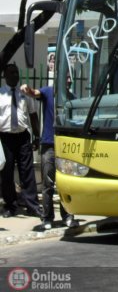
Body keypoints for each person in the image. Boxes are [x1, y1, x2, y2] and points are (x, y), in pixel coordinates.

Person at [21, 83, 79, 230]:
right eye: (65, 76)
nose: (68, 79)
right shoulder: (48, 91)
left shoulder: (72, 98)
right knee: (48, 183)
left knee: (66, 183)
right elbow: (34, 93)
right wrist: (27, 89)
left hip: (66, 145)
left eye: (69, 77)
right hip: (49, 144)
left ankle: (68, 216)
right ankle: (47, 218)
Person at [0, 63, 42, 218]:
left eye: (16, 73)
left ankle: (33, 206)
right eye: (11, 73)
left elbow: (33, 115)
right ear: (5, 75)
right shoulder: (0, 94)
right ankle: (10, 206)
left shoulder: (24, 93)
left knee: (28, 172)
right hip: (5, 138)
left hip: (23, 137)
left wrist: (37, 136)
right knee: (7, 173)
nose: (15, 76)